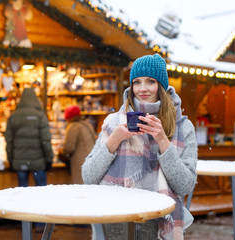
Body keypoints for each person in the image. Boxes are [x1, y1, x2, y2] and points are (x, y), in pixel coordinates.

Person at [82, 54, 198, 240]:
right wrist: (115, 139)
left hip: (157, 222)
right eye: (136, 82)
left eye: (150, 81)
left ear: (161, 86)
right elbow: (89, 176)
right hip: (116, 218)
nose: (142, 89)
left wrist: (162, 140)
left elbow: (184, 185)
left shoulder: (182, 128)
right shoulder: (114, 122)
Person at [5, 87, 54, 187]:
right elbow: (46, 140)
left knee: (22, 192)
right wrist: (49, 159)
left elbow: (9, 141)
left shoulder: (14, 117)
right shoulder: (40, 116)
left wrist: (10, 159)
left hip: (20, 161)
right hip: (38, 162)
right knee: (41, 192)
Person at [58, 105, 96, 184]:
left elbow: (69, 148)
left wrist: (61, 151)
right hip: (91, 161)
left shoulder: (73, 126)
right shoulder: (88, 125)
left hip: (80, 163)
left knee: (79, 187)